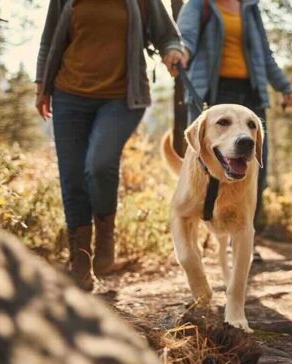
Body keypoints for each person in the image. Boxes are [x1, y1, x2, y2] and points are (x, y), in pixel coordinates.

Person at [35, 0, 186, 290]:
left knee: (100, 163)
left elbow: (167, 33)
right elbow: (48, 39)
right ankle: (80, 263)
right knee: (73, 178)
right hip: (69, 95)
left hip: (122, 98)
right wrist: (42, 85)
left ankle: (105, 234)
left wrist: (172, 50)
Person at [177, 0, 292, 261]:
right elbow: (186, 39)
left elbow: (264, 54)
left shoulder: (249, 7)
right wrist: (180, 53)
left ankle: (243, 238)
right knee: (203, 169)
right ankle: (200, 233)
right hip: (214, 96)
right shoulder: (199, 4)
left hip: (251, 95)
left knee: (257, 169)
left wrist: (284, 87)